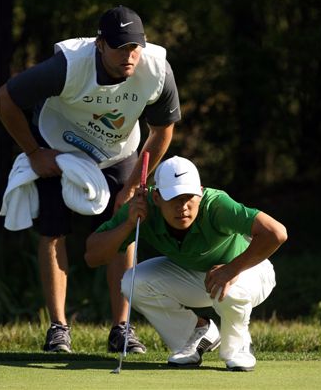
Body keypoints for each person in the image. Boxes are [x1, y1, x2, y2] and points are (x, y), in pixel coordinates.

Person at [0, 5, 181, 354]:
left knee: (123, 232)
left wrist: (131, 187)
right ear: (100, 44)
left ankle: (122, 329)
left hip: (118, 152)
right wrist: (35, 152)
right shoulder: (67, 66)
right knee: (52, 232)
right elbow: (4, 100)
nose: (130, 55)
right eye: (120, 47)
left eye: (135, 47)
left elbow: (162, 132)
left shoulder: (156, 69)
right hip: (57, 146)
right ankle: (58, 328)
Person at [85, 156, 287, 371]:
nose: (183, 206)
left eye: (189, 197)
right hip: (197, 274)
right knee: (133, 282)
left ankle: (238, 347)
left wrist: (231, 269)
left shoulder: (216, 205)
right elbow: (93, 256)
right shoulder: (142, 208)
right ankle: (195, 335)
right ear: (156, 197)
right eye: (173, 198)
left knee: (228, 288)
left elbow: (276, 233)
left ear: (200, 192)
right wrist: (127, 224)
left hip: (250, 271)